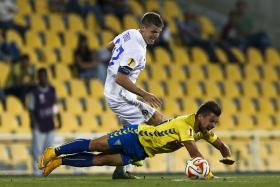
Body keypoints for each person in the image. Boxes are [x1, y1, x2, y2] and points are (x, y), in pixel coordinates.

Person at [38, 101, 235, 177]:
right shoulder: (185, 125)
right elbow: (195, 154)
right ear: (200, 116)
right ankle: (53, 151)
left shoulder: (202, 129)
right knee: (94, 145)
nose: (212, 126)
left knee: (98, 161)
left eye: (215, 123)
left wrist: (225, 153)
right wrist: (208, 174)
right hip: (134, 136)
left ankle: (59, 161)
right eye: (211, 121)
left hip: (141, 151)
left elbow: (220, 144)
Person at [103, 12, 165, 179]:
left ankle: (120, 171)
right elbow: (121, 78)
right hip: (120, 95)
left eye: (158, 33)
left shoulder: (130, 32)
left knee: (133, 130)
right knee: (150, 127)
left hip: (118, 92)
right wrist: (145, 94)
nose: (155, 36)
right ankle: (132, 155)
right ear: (143, 28)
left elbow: (109, 46)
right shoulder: (136, 50)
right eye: (153, 32)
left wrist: (111, 63)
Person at [29, 68, 61, 176]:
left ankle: (47, 171)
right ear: (38, 78)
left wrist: (59, 117)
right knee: (37, 150)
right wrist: (33, 122)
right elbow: (31, 109)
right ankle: (36, 172)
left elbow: (55, 105)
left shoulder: (52, 90)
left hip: (50, 124)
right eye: (40, 76)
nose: (43, 78)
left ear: (47, 77)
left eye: (44, 76)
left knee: (49, 151)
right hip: (39, 125)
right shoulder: (34, 92)